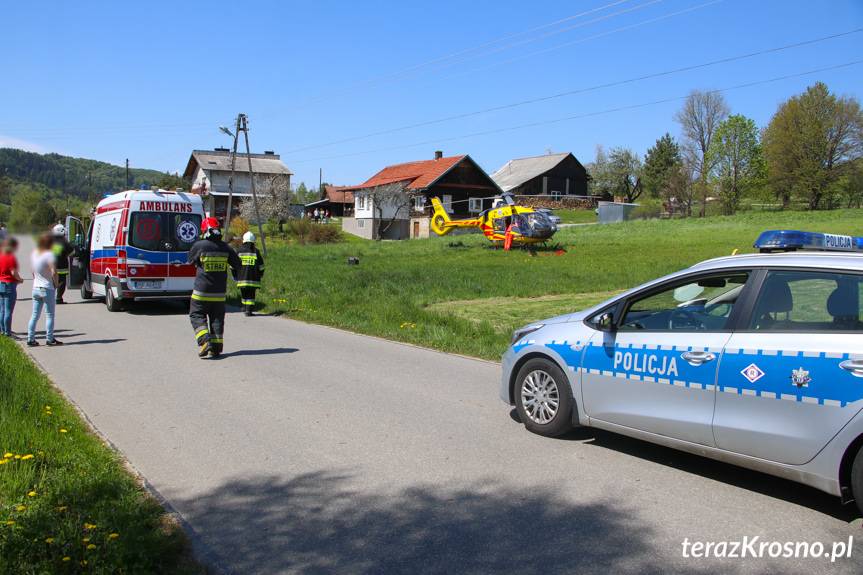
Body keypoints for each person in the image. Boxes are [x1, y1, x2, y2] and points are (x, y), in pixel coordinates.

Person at [187, 217, 240, 359]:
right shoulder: (226, 248)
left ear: (205, 231)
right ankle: (216, 348)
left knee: (196, 315)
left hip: (201, 292)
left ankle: (205, 341)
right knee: (217, 319)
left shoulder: (199, 245)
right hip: (219, 294)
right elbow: (237, 265)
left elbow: (190, 261)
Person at [28, 234, 62, 346]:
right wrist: (56, 284)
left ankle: (30, 338)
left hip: (36, 287)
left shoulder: (34, 254)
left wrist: (36, 279)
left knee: (35, 315)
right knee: (49, 315)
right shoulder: (49, 255)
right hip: (47, 287)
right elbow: (54, 272)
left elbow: (32, 271)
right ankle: (50, 338)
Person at [236, 231, 265, 316]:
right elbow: (261, 266)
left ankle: (244, 307)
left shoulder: (239, 251)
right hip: (253, 279)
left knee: (244, 293)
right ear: (253, 242)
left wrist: (235, 275)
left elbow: (233, 265)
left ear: (244, 241)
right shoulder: (256, 252)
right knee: (251, 295)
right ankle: (249, 311)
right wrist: (261, 274)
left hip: (241, 278)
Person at [0, 237, 24, 337]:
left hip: (1, 283)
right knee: (9, 310)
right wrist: (20, 279)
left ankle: (2, 329)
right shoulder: (11, 257)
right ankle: (7, 332)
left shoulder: (1, 256)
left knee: (2, 309)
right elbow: (13, 272)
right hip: (9, 284)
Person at [51, 223, 74, 304]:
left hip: (51, 266)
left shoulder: (50, 241)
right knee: (62, 282)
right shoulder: (64, 242)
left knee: (51, 281)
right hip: (62, 266)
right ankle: (59, 298)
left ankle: (50, 298)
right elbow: (72, 252)